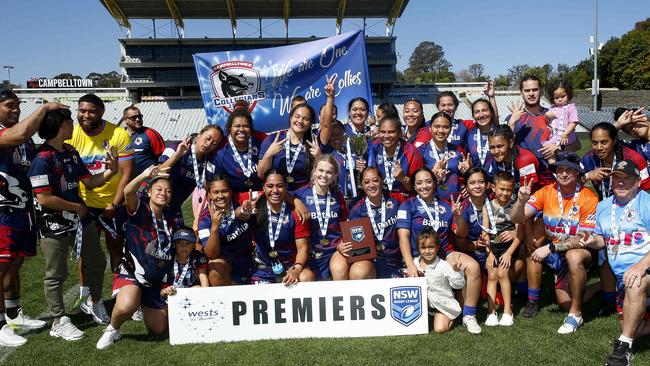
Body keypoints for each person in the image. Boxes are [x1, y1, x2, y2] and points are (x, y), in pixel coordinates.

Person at [29, 108, 119, 341]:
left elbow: (89, 181)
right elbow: (44, 198)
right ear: (61, 126)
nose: (74, 126)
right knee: (56, 273)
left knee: (97, 261)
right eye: (70, 122)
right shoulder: (42, 159)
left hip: (79, 218)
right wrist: (76, 207)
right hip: (54, 223)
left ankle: (94, 301)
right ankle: (58, 320)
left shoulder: (70, 151)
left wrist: (110, 171)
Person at [0, 90, 66, 346]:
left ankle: (14, 314)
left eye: (17, 105)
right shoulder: (13, 133)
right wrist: (45, 108)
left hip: (23, 211)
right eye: (8, 106)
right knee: (1, 266)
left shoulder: (25, 140)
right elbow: (19, 134)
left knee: (14, 264)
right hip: (3, 211)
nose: (15, 110)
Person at [511, 152, 600, 333]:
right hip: (554, 246)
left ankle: (591, 296)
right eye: (560, 170)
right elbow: (517, 217)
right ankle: (533, 300)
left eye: (570, 170)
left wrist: (550, 248)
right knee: (533, 242)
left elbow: (583, 238)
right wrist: (521, 202)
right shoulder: (546, 191)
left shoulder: (589, 197)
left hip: (579, 249)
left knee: (567, 301)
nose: (564, 174)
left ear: (577, 174)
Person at [66, 94, 134, 319]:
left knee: (117, 248)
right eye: (82, 110)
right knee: (86, 254)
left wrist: (115, 203)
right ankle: (88, 297)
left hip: (112, 203)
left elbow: (126, 173)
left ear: (101, 112)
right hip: (84, 205)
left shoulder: (118, 134)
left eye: (91, 111)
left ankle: (118, 294)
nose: (85, 115)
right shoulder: (71, 134)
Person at [97, 165, 175, 350]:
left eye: (168, 191)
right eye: (159, 189)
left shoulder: (171, 220)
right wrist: (144, 174)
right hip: (132, 271)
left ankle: (143, 302)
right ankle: (113, 329)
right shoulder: (139, 209)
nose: (163, 193)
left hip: (154, 280)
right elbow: (128, 192)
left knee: (159, 328)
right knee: (127, 305)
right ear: (149, 192)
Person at [396, 167, 483, 334]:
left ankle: (469, 315)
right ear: (414, 186)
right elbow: (403, 237)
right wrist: (411, 266)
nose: (424, 186)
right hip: (418, 257)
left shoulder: (446, 205)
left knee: (473, 267)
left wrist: (458, 217)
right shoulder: (407, 205)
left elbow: (462, 234)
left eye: (428, 181)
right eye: (419, 183)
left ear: (435, 184)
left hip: (443, 253)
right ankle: (441, 306)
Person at [580, 159, 650, 366]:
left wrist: (640, 266)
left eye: (626, 178)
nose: (620, 183)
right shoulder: (603, 206)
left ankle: (623, 349)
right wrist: (592, 241)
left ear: (637, 182)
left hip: (644, 269)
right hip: (623, 277)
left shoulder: (646, 203)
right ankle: (635, 322)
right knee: (634, 326)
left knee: (635, 283)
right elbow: (604, 239)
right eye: (616, 178)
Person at [250, 170, 315, 284]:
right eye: (270, 186)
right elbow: (238, 212)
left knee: (307, 276)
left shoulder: (296, 213)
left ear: (286, 187)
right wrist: (244, 211)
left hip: (290, 267)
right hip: (263, 269)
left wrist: (297, 269)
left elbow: (303, 248)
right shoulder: (255, 205)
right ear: (263, 187)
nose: (275, 190)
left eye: (280, 186)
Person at [506, 76, 572, 186]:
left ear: (541, 90)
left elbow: (577, 144)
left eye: (535, 89)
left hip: (551, 177)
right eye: (527, 90)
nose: (531, 93)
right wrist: (512, 123)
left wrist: (559, 147)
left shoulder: (554, 114)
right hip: (525, 180)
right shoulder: (513, 118)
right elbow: (504, 147)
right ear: (521, 92)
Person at [294, 154, 348, 280]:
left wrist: (343, 242)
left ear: (334, 176)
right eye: (321, 170)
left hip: (334, 249)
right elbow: (286, 196)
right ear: (314, 171)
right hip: (311, 252)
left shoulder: (338, 195)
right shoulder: (301, 194)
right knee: (305, 279)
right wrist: (296, 202)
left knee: (339, 269)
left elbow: (345, 222)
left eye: (329, 172)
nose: (324, 175)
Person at [159, 124, 223, 226]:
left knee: (182, 240)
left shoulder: (209, 161)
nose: (209, 144)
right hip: (156, 202)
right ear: (199, 134)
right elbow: (159, 172)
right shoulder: (176, 147)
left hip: (174, 208)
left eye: (214, 143)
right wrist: (178, 154)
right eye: (208, 138)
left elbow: (210, 186)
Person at [197, 177, 255, 285]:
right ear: (209, 195)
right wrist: (214, 227)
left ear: (231, 191)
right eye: (216, 192)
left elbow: (241, 212)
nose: (220, 196)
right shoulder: (205, 219)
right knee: (214, 267)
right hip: (225, 260)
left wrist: (296, 201)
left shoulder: (242, 202)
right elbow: (211, 255)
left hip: (248, 256)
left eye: (224, 191)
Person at [484, 172, 523, 327]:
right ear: (493, 187)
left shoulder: (515, 206)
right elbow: (485, 232)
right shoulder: (487, 207)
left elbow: (520, 234)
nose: (505, 193)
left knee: (502, 272)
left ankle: (507, 311)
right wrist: (489, 253)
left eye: (508, 189)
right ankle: (491, 312)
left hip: (509, 248)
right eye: (501, 189)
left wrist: (509, 253)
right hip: (493, 247)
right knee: (492, 274)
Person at [348, 167, 402, 278]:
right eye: (366, 182)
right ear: (362, 185)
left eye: (375, 180)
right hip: (372, 261)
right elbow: (353, 241)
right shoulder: (356, 210)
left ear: (382, 181)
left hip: (398, 260)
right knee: (358, 271)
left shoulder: (396, 200)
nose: (371, 185)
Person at [209, 101, 267, 204]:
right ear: (229, 128)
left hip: (262, 200)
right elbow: (212, 183)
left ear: (250, 129)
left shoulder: (261, 143)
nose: (241, 129)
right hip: (235, 202)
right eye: (237, 126)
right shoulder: (220, 152)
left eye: (245, 126)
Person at [258, 103, 321, 192]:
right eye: (297, 116)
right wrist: (269, 154)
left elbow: (320, 177)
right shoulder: (273, 139)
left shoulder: (313, 143)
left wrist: (319, 158)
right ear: (291, 117)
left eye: (306, 119)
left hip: (303, 195)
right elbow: (261, 174)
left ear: (310, 123)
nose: (300, 121)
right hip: (278, 194)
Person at [413, 228, 465, 334]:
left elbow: (459, 284)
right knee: (416, 327)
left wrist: (456, 270)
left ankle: (452, 316)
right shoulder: (415, 264)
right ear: (418, 248)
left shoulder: (443, 265)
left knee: (439, 329)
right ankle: (429, 316)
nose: (427, 251)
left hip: (442, 303)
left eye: (431, 247)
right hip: (423, 305)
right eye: (423, 248)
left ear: (437, 247)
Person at [582, 122, 650, 201]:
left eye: (604, 142)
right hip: (605, 206)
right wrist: (587, 176)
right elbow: (570, 182)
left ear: (614, 141)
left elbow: (647, 189)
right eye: (595, 143)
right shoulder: (589, 158)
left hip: (632, 206)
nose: (599, 147)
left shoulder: (634, 158)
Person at [368, 115, 423, 203]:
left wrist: (403, 179)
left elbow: (418, 188)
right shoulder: (374, 148)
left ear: (399, 133)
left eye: (391, 132)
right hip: (379, 199)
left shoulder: (412, 152)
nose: (386, 136)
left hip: (405, 201)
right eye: (383, 132)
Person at [419, 111, 471, 201]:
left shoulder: (458, 150)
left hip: (456, 202)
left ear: (450, 129)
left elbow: (467, 177)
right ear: (430, 128)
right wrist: (432, 174)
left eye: (446, 127)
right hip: (430, 203)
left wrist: (468, 175)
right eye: (437, 126)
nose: (441, 131)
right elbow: (414, 182)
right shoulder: (420, 151)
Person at [486, 125, 540, 192]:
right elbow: (489, 183)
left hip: (541, 197)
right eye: (492, 147)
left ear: (511, 143)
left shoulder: (525, 160)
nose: (496, 151)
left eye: (500, 146)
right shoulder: (495, 158)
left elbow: (527, 192)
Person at [122, 105, 165, 177]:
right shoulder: (119, 135)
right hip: (125, 180)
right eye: (133, 117)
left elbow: (163, 156)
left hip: (147, 181)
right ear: (125, 120)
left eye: (140, 116)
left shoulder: (151, 133)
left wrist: (158, 174)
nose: (138, 119)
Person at [543, 80, 579, 150]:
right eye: (556, 98)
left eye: (563, 96)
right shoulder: (552, 108)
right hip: (555, 136)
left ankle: (556, 160)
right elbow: (547, 123)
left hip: (567, 136)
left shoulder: (571, 108)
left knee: (547, 148)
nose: (560, 99)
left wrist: (565, 134)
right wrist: (547, 116)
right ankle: (554, 161)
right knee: (547, 149)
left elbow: (574, 122)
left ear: (568, 94)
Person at [465, 97, 498, 172]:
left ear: (492, 113)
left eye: (485, 110)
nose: (481, 115)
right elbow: (468, 157)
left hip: (497, 181)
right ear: (473, 116)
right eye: (477, 112)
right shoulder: (469, 135)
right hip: (478, 181)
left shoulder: (499, 133)